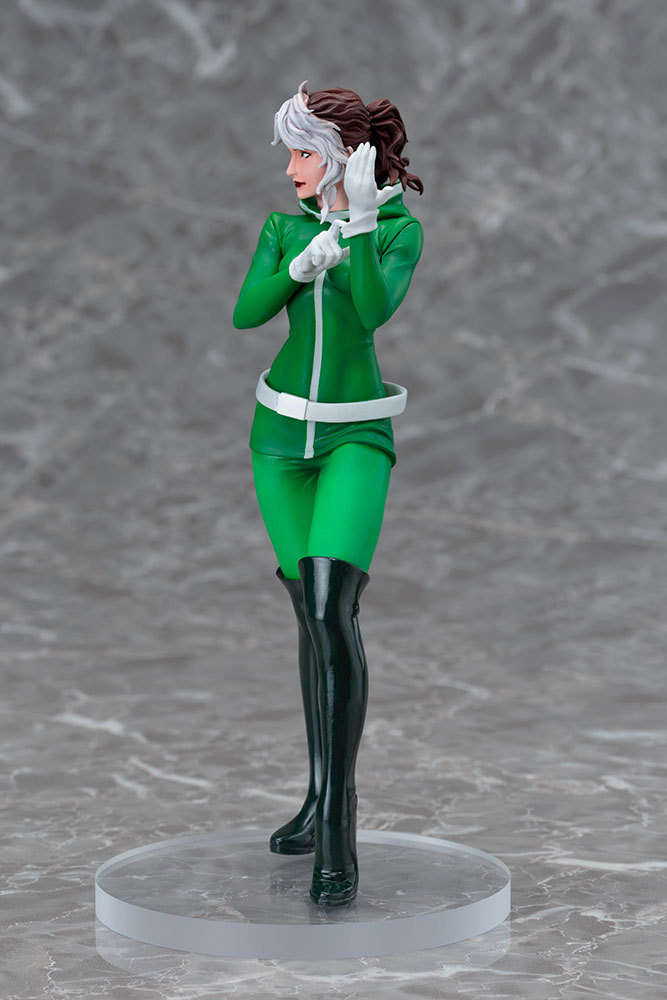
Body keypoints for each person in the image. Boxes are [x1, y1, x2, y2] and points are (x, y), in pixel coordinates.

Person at [233, 80, 424, 905]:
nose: (290, 170)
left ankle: (339, 826)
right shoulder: (284, 227)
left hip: (354, 437)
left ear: (343, 155)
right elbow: (245, 315)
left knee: (329, 607)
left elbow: (374, 313)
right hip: (279, 442)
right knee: (308, 619)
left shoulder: (399, 230)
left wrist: (362, 226)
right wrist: (295, 264)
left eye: (302, 153)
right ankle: (316, 797)